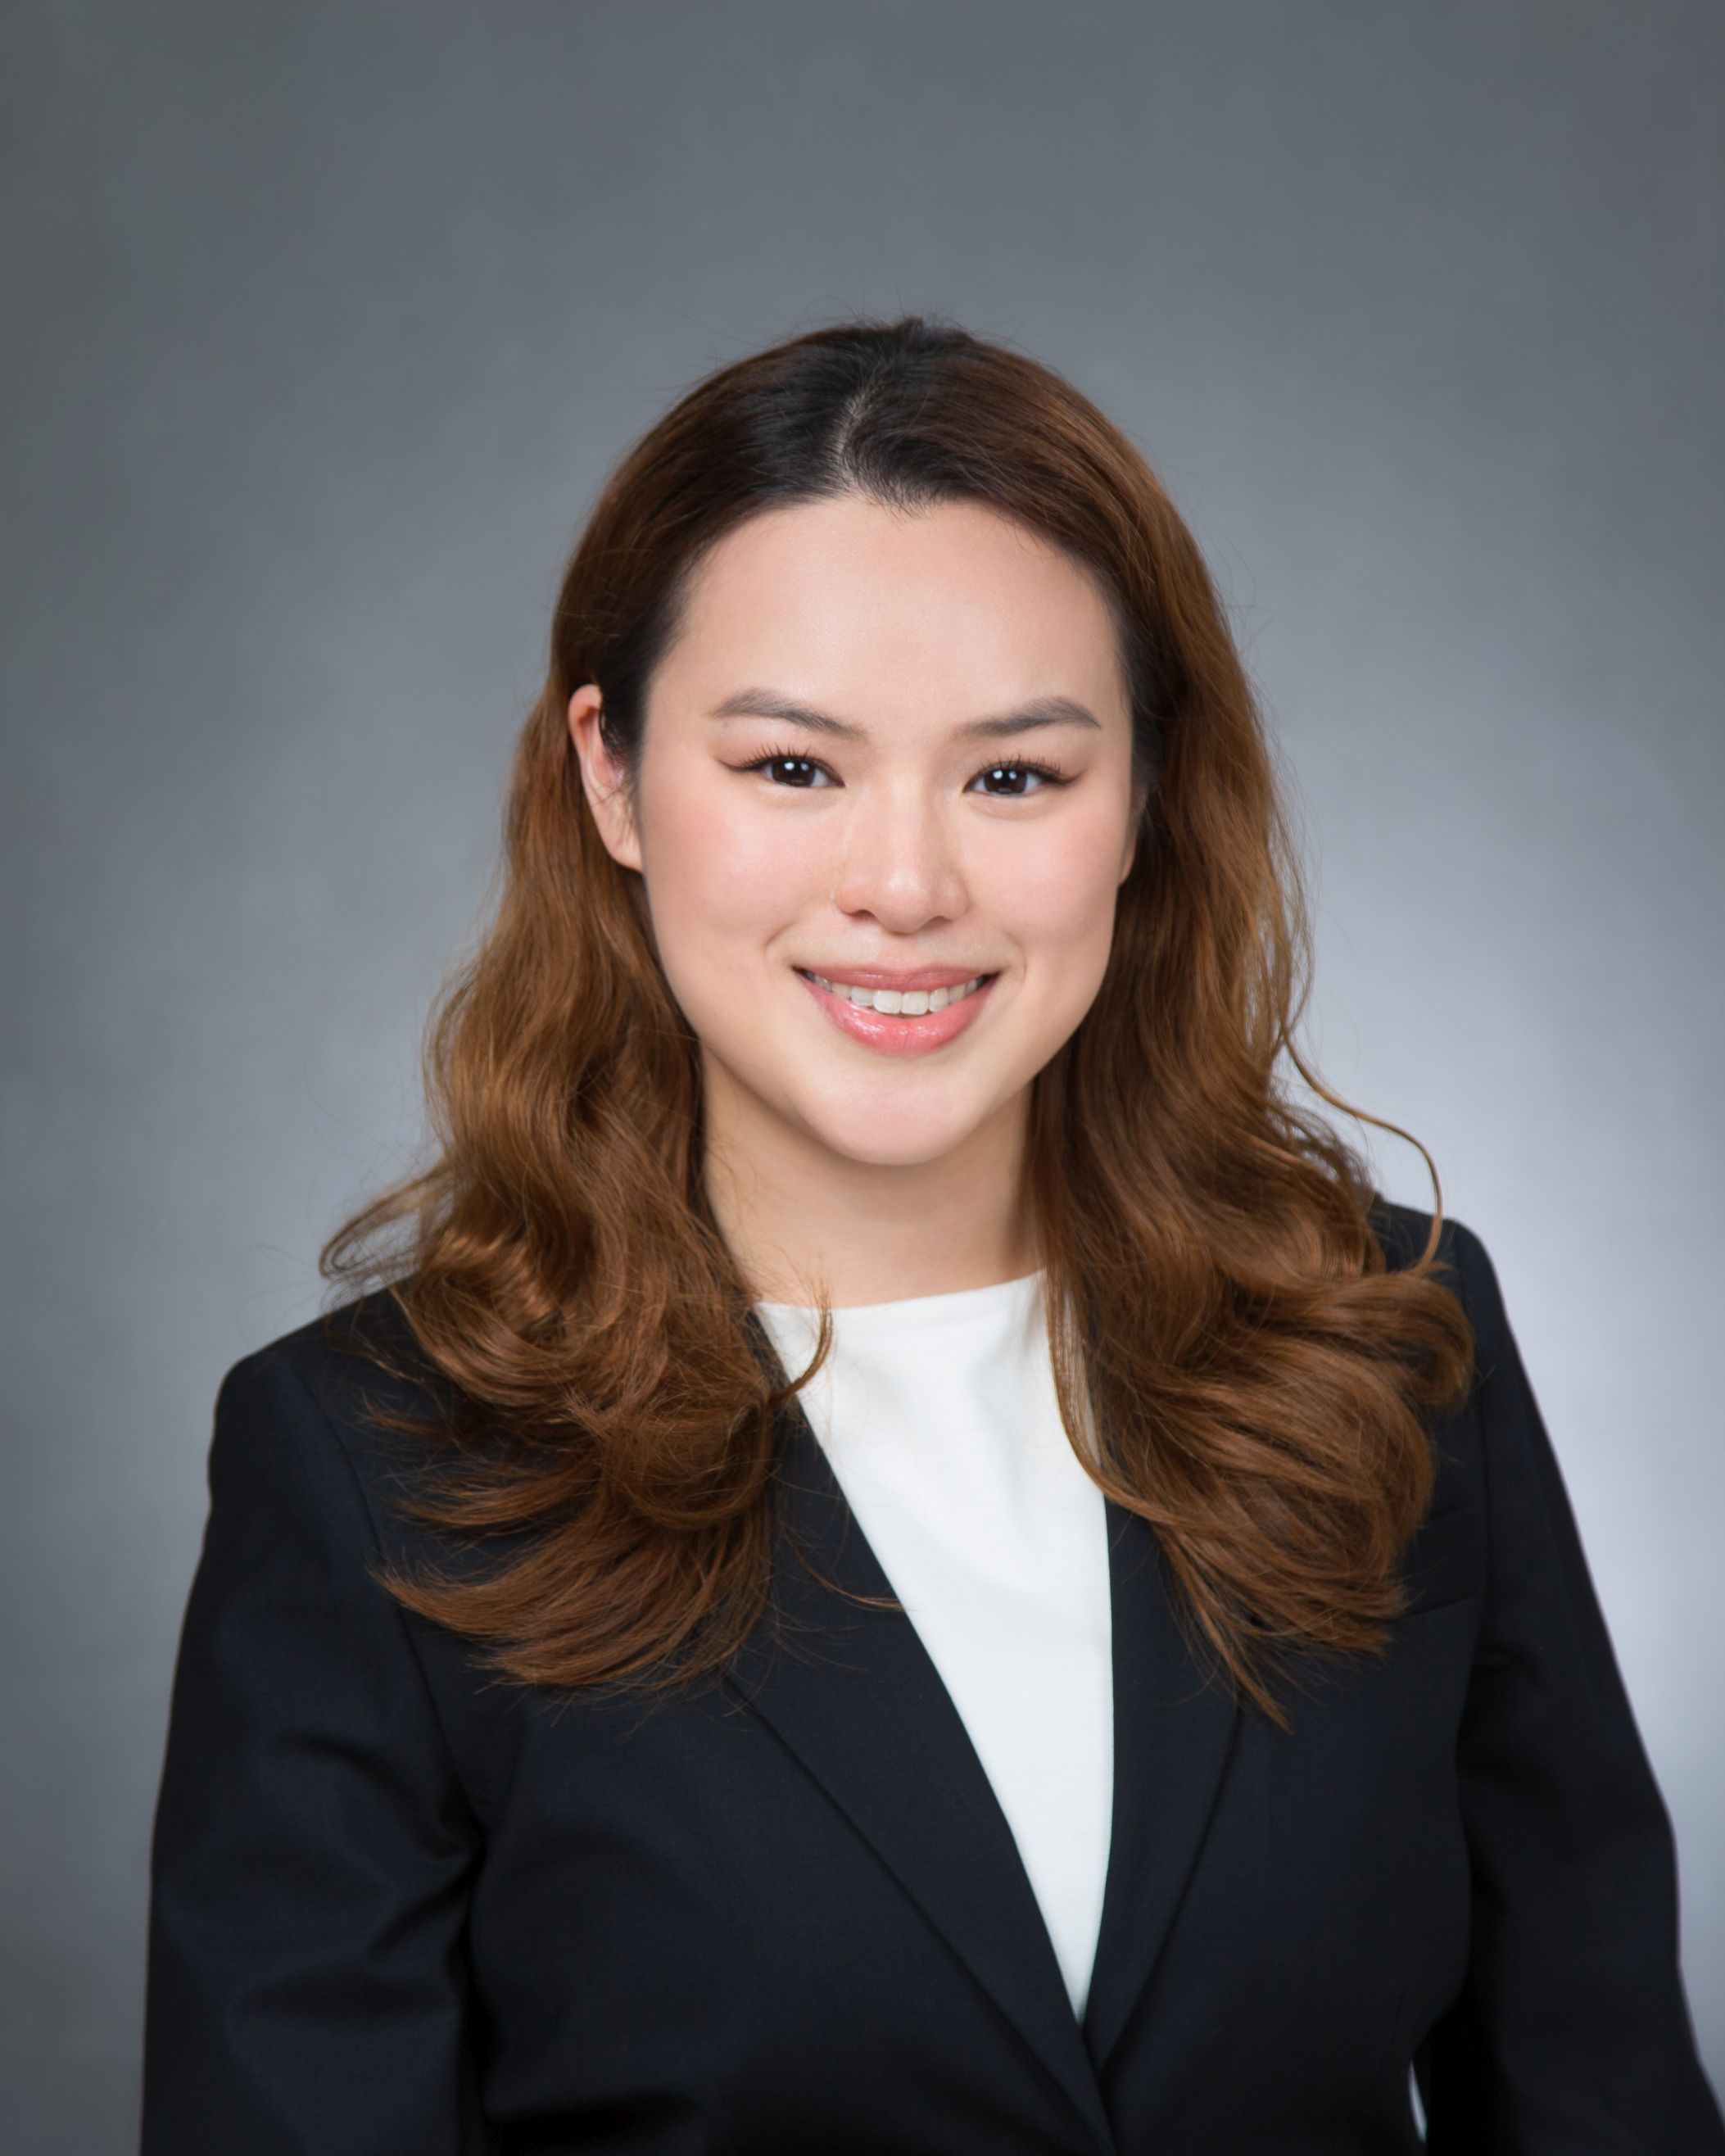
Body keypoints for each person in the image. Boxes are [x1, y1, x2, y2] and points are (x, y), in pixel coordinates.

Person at [140, 315, 1723, 2154]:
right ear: (612, 776)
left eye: (1014, 776)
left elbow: (1604, 2100)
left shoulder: (1392, 1340)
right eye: (792, 768)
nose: (904, 885)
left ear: (1143, 799)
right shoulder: (368, 1463)